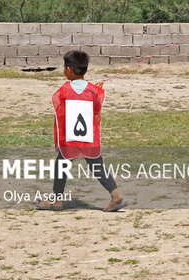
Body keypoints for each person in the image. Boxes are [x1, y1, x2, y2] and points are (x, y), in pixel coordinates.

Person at [35, 50, 126, 212]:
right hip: (88, 138)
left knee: (61, 165)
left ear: (68, 70)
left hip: (71, 138)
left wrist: (90, 91)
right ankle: (115, 194)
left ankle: (57, 200)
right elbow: (96, 108)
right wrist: (94, 91)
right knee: (97, 166)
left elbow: (57, 104)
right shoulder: (93, 91)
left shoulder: (64, 90)